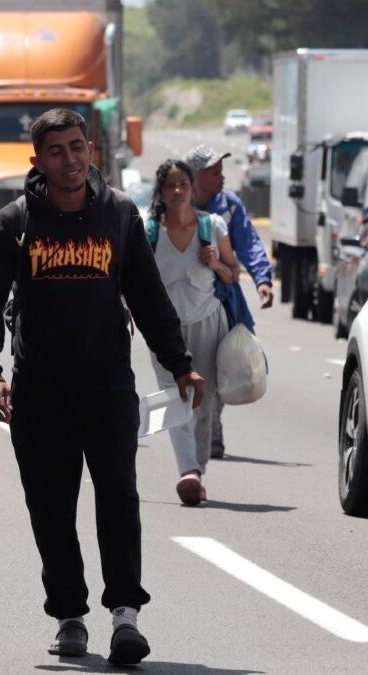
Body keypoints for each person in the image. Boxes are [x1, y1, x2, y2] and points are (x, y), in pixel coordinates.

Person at [0, 108, 205, 667]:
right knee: (51, 508)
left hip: (107, 388)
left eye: (77, 147)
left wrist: (180, 362)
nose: (70, 160)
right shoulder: (16, 222)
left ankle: (125, 616)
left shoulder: (118, 214)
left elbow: (148, 297)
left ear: (91, 150)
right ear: (38, 161)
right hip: (40, 393)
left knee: (119, 499)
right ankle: (69, 615)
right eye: (56, 151)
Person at [146, 159, 240, 506]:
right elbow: (132, 280)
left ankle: (196, 470)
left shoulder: (212, 226)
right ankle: (188, 472)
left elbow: (233, 274)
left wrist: (215, 262)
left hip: (207, 324)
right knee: (174, 398)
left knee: (204, 399)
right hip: (163, 331)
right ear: (161, 191)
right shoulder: (149, 232)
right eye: (170, 185)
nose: (177, 191)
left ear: (192, 188)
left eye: (183, 184)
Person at [186, 144, 274, 459]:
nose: (222, 179)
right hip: (184, 302)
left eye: (222, 172)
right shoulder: (174, 205)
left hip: (224, 300)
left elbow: (250, 244)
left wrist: (263, 280)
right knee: (190, 368)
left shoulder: (230, 206)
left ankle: (211, 429)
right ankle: (195, 429)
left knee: (220, 362)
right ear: (195, 177)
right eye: (214, 173)